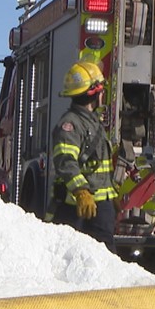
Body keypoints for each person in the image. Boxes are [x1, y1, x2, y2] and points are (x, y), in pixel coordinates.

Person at [50, 61, 119, 252]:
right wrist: (81, 192)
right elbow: (65, 161)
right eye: (101, 89)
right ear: (94, 93)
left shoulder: (92, 123)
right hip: (80, 207)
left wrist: (110, 194)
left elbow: (97, 166)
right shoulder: (71, 124)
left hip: (98, 205)